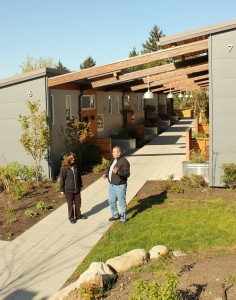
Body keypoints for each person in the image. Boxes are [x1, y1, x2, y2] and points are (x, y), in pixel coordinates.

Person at [102, 146, 130, 223]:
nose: (113, 153)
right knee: (111, 201)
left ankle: (123, 218)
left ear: (119, 153)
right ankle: (115, 215)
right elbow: (110, 169)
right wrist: (106, 175)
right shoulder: (113, 159)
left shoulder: (124, 162)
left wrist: (118, 172)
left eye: (114, 152)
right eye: (113, 151)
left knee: (121, 202)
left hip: (120, 186)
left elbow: (127, 174)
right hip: (111, 185)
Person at [60, 153, 87, 224]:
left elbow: (78, 176)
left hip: (77, 189)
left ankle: (78, 215)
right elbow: (62, 179)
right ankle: (71, 217)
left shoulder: (75, 166)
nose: (73, 159)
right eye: (72, 158)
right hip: (68, 190)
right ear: (68, 159)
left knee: (78, 203)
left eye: (73, 158)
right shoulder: (63, 168)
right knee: (70, 204)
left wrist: (80, 184)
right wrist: (62, 190)